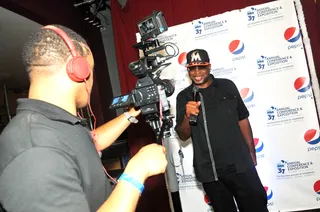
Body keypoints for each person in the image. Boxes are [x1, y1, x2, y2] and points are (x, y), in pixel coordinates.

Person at [0, 25, 167, 212]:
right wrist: (137, 170)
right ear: (77, 69)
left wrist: (129, 115)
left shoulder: (53, 122)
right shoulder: (34, 151)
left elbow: (89, 142)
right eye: (91, 69)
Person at [175, 49, 268, 212]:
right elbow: (183, 135)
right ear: (188, 70)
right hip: (210, 171)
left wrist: (251, 153)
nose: (197, 73)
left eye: (201, 67)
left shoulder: (227, 86)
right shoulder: (184, 97)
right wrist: (186, 115)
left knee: (256, 207)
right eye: (192, 68)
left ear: (209, 67)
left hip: (240, 164)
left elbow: (243, 120)